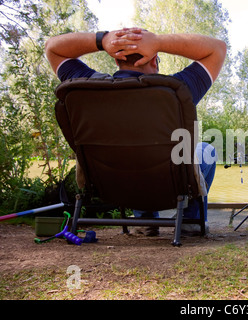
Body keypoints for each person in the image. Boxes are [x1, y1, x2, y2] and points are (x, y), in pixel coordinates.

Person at [45, 28, 227, 236]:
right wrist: (158, 41)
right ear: (153, 59)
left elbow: (52, 48)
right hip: (170, 186)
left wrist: (102, 40)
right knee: (205, 149)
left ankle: (144, 220)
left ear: (116, 60)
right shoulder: (176, 90)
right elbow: (217, 48)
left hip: (111, 186)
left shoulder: (86, 87)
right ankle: (190, 220)